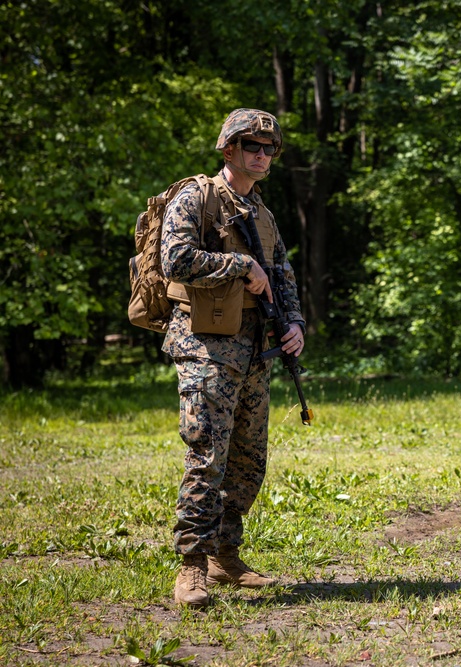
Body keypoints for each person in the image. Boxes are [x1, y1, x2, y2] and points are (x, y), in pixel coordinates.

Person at [162, 108, 306, 607]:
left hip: (254, 349)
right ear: (229, 150)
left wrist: (294, 324)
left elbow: (282, 271)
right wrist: (239, 264)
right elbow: (174, 259)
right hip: (205, 345)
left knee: (248, 459)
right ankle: (191, 566)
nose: (263, 156)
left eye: (269, 150)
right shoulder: (196, 198)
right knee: (208, 454)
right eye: (252, 147)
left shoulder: (261, 211)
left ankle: (226, 555)